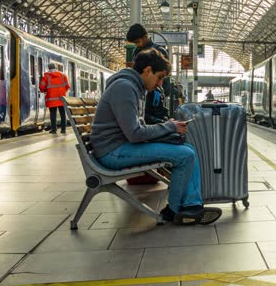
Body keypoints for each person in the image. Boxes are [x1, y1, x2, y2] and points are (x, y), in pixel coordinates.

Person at [89, 48, 222, 225]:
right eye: (159, 77)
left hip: (118, 146)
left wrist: (168, 131)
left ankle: (191, 206)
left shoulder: (132, 86)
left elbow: (136, 128)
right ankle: (175, 210)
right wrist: (169, 126)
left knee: (187, 148)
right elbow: (135, 134)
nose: (160, 84)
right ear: (147, 70)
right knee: (185, 155)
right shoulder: (125, 88)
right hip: (112, 152)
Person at [127, 23, 171, 124]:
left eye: (138, 41)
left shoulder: (159, 51)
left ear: (145, 37)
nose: (137, 44)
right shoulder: (137, 51)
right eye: (135, 43)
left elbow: (162, 75)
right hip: (142, 95)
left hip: (153, 98)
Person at [39, 63, 70, 134]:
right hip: (61, 98)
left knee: (53, 114)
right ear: (56, 67)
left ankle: (54, 129)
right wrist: (62, 92)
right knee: (62, 114)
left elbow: (41, 87)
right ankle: (63, 129)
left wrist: (45, 91)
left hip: (51, 99)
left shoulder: (46, 76)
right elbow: (67, 86)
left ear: (49, 68)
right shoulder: (63, 75)